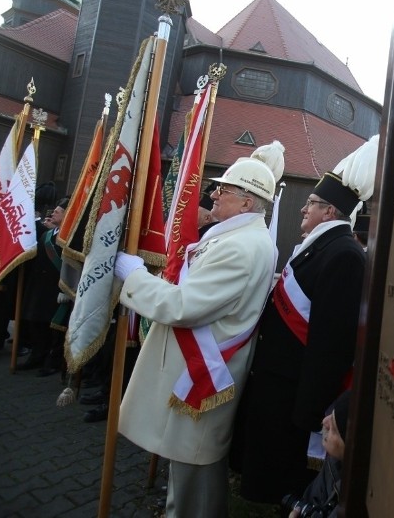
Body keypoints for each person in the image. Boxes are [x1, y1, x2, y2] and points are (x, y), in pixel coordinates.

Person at [113, 144, 285, 518]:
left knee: (195, 467)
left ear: (246, 203)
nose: (213, 195)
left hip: (202, 369)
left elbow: (184, 306)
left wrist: (136, 277)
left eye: (222, 190)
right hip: (200, 366)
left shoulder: (241, 246)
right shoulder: (240, 237)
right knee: (191, 462)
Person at [229, 136, 377, 504]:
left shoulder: (343, 255)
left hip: (294, 391)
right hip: (279, 381)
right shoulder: (323, 246)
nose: (302, 209)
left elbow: (331, 344)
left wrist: (309, 412)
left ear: (330, 212)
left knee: (283, 476)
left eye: (310, 203)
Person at [18, 197, 69, 375]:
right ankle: (37, 355)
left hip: (56, 288)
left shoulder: (70, 236)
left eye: (58, 211)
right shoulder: (46, 235)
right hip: (39, 286)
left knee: (54, 327)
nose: (53, 212)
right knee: (36, 322)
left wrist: (67, 288)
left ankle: (53, 361)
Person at [285, 391, 351, 518]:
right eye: (331, 415)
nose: (324, 422)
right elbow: (311, 499)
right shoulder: (334, 463)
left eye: (334, 429)